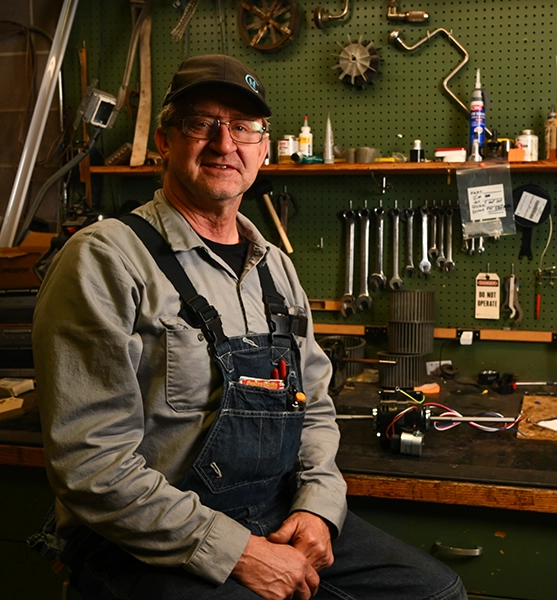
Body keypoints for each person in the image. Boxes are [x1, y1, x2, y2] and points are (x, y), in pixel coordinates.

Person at [32, 54, 467, 600]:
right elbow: (91, 462)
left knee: (435, 592)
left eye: (243, 128)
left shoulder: (275, 268)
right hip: (143, 540)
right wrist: (235, 550)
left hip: (276, 516)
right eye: (201, 124)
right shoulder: (104, 259)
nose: (224, 144)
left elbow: (314, 408)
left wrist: (318, 508)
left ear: (264, 147)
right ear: (165, 141)